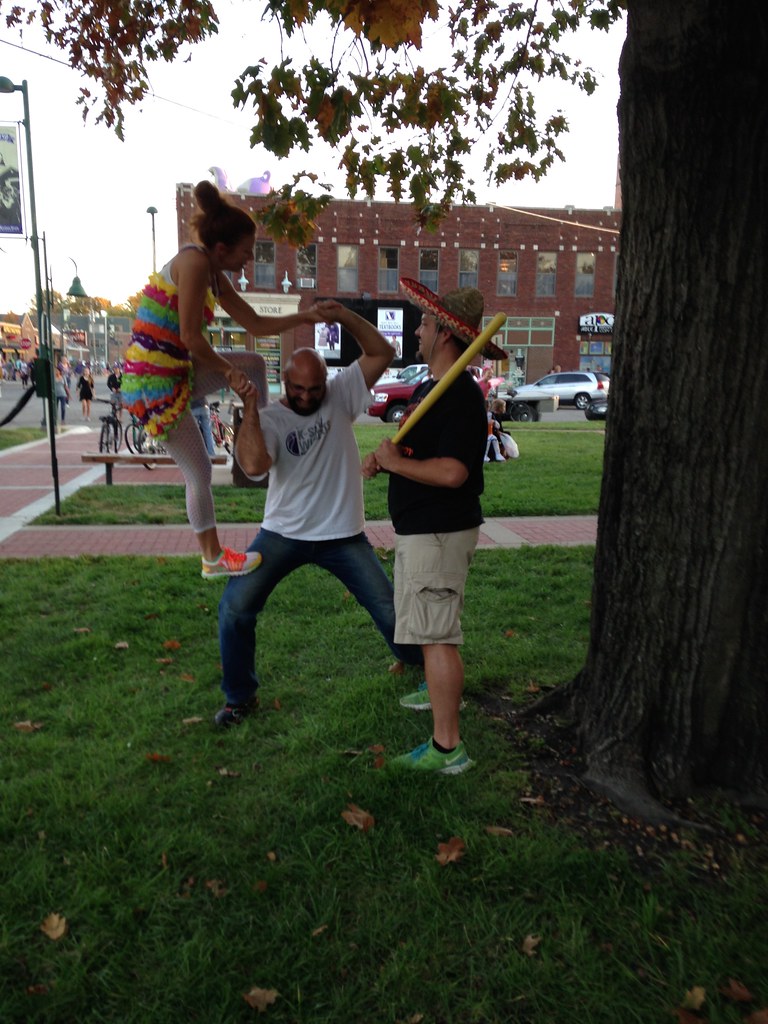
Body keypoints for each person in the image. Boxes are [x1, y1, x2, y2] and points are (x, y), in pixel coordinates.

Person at [214, 302, 423, 727]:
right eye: (298, 390)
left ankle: (422, 667)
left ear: (325, 382)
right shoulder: (269, 417)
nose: (308, 397)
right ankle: (240, 698)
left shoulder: (342, 393)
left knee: (388, 611)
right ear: (285, 382)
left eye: (315, 389)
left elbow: (382, 352)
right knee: (235, 607)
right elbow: (253, 466)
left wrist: (343, 317)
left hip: (342, 534)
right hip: (282, 534)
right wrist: (250, 408)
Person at [121, 179, 323, 581]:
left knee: (252, 364)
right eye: (246, 252)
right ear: (221, 249)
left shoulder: (213, 272)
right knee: (197, 473)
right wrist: (227, 372)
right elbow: (191, 338)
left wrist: (304, 317)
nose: (249, 260)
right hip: (156, 386)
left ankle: (263, 446)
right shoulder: (195, 263)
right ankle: (212, 558)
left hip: (176, 373)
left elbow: (255, 323)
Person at [363, 277, 506, 774]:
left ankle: (448, 749)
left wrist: (398, 465)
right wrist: (389, 457)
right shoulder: (430, 387)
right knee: (430, 631)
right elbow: (419, 451)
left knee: (439, 635)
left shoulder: (462, 396)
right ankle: (439, 699)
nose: (417, 329)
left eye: (424, 322)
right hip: (421, 530)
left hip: (440, 532)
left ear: (445, 333)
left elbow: (453, 471)